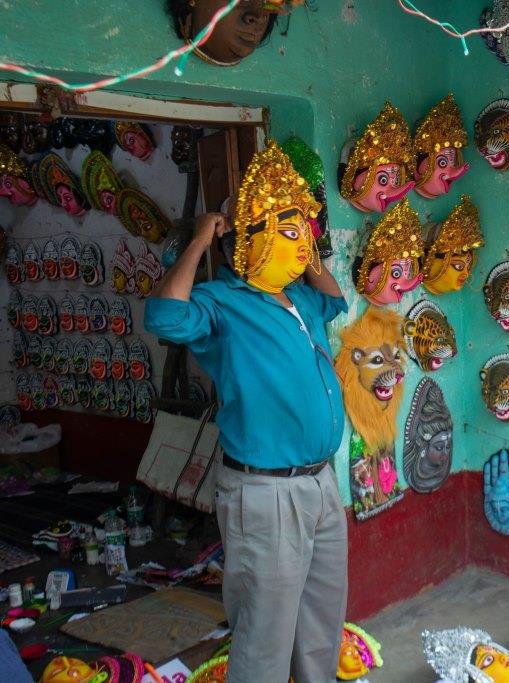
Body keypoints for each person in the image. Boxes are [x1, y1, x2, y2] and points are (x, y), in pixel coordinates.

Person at [145, 142, 348, 682]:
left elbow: (336, 300)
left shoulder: (301, 298)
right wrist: (200, 239)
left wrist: (308, 247)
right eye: (287, 231)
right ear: (250, 239)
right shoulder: (222, 302)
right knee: (266, 634)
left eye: (302, 230)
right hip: (266, 491)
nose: (300, 242)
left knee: (321, 621)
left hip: (320, 482)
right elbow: (164, 315)